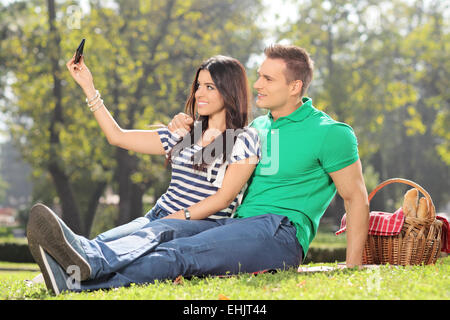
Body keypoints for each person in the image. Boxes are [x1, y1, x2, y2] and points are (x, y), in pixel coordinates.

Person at [27, 44, 369, 295]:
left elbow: (355, 198)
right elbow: (208, 144)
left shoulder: (330, 133)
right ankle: (77, 270)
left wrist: (353, 266)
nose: (258, 84)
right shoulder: (257, 129)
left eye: (267, 78)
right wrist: (187, 128)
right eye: (258, 76)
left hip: (279, 230)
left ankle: (83, 281)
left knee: (177, 250)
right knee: (164, 238)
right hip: (237, 227)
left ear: (295, 86)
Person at [26, 54, 261, 294]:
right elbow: (117, 136)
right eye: (198, 85)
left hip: (197, 225)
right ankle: (57, 274)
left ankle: (77, 269)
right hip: (158, 215)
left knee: (128, 249)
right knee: (104, 243)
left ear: (230, 90)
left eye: (210, 87)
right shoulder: (185, 132)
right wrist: (89, 86)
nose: (200, 93)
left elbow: (224, 198)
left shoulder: (244, 139)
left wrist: (178, 217)